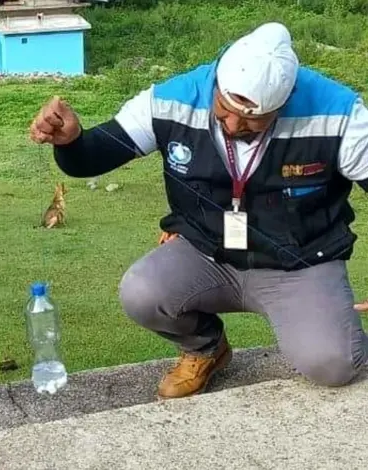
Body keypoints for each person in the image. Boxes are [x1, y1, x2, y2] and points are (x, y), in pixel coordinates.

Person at [29, 22, 368, 400]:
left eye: (253, 120)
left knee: (335, 364)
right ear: (217, 83)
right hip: (208, 254)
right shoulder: (174, 98)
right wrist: (72, 142)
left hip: (300, 264)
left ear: (285, 100)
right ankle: (206, 348)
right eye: (224, 110)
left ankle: (333, 329)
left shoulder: (339, 113)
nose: (235, 125)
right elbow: (92, 157)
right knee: (142, 291)